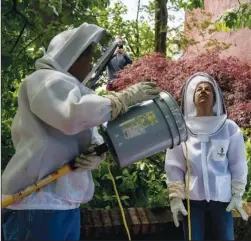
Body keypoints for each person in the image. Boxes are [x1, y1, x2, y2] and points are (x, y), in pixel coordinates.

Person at [1, 23, 161, 241]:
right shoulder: (43, 80)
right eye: (88, 58)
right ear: (73, 57)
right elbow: (71, 115)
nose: (90, 66)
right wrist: (121, 100)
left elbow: (87, 129)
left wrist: (95, 154)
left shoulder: (74, 89)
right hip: (35, 202)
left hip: (64, 204)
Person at [165, 73, 248, 241]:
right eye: (198, 89)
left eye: (208, 89)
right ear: (191, 97)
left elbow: (238, 163)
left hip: (222, 198)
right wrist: (175, 197)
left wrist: (237, 193)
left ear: (215, 96)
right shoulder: (182, 130)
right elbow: (174, 165)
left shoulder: (229, 128)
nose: (203, 91)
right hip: (192, 200)